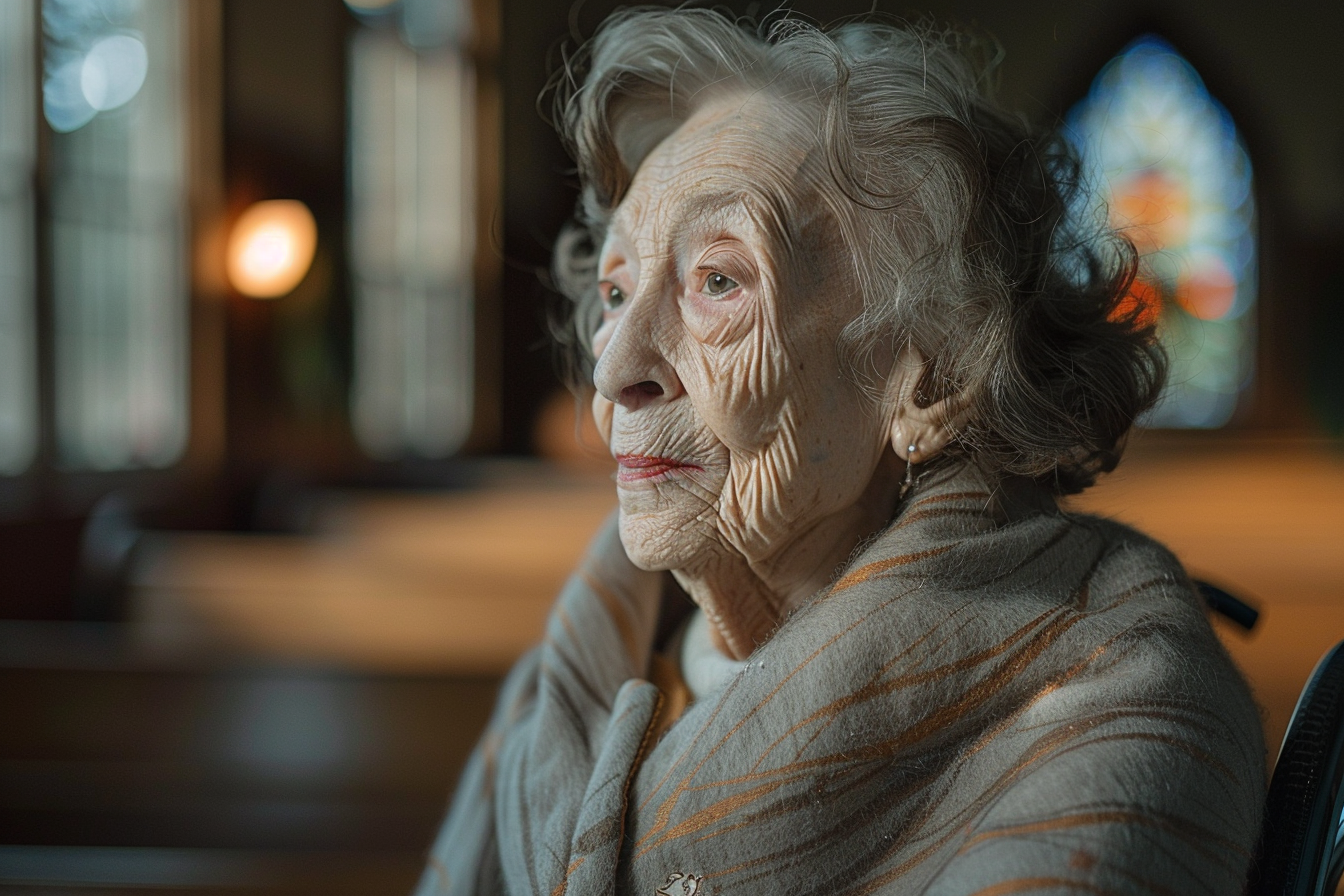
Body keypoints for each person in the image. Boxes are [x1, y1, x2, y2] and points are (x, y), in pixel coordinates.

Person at [416, 8, 1264, 894]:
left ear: (931, 382)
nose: (617, 368)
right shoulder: (566, 688)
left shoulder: (1115, 693)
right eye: (618, 290)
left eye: (719, 281)